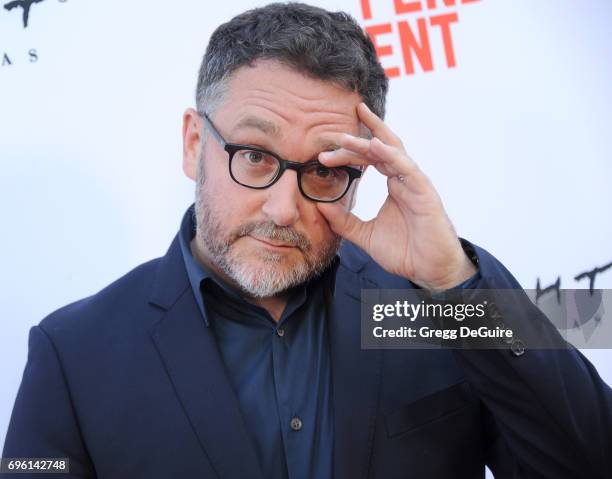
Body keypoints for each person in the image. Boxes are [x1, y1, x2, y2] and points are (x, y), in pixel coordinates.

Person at [3, 3, 611, 478]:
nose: (283, 207)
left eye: (322, 170)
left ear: (360, 174)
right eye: (255, 156)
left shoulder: (434, 308)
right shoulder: (74, 351)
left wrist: (454, 282)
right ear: (194, 144)